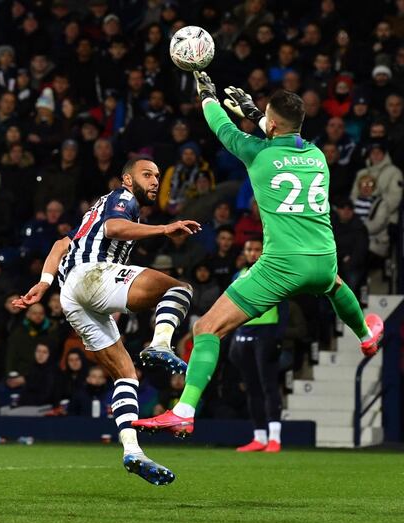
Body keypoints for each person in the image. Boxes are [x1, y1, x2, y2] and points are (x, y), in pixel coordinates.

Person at [134, 75, 383, 439]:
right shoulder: (316, 155)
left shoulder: (258, 153)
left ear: (273, 123)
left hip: (282, 264)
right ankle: (364, 335)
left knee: (207, 329)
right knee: (334, 285)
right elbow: (285, 136)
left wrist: (206, 95)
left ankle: (184, 410)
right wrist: (254, 113)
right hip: (324, 258)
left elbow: (220, 125)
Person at [14, 158, 201, 486]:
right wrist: (164, 228)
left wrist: (44, 284)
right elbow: (114, 228)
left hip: (72, 295)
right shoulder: (122, 199)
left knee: (126, 374)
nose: (155, 181)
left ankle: (132, 450)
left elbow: (61, 244)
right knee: (180, 289)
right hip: (92, 275)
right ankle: (159, 343)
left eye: (158, 175)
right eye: (147, 175)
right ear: (128, 179)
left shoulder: (95, 211)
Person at [228, 237, 284, 453]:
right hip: (243, 333)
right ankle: (259, 436)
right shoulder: (238, 275)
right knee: (252, 388)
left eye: (256, 249)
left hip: (267, 333)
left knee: (269, 385)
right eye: (249, 249)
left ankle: (275, 438)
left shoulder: (274, 273)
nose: (252, 253)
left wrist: (278, 335)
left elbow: (285, 306)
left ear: (264, 251)